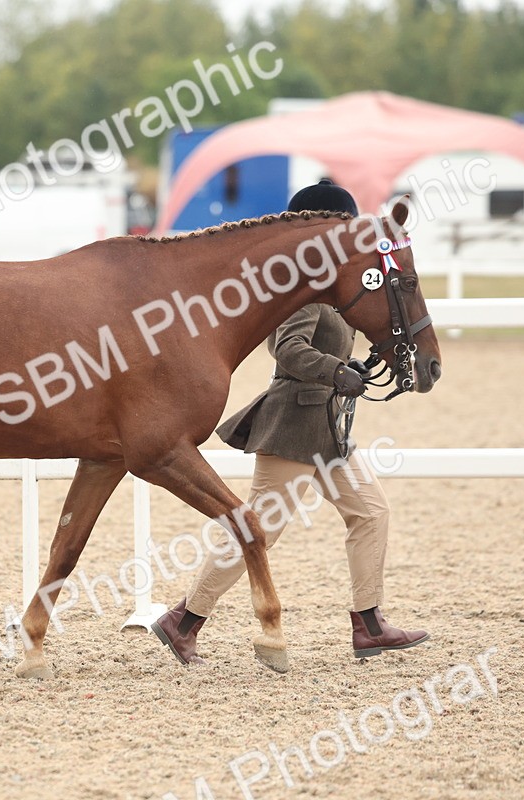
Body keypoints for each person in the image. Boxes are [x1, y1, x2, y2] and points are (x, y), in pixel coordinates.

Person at [151, 179, 429, 667]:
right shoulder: (298, 289)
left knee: (370, 513)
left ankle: (367, 622)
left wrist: (356, 367)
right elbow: (288, 349)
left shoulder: (336, 283)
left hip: (329, 428)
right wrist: (336, 371)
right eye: (343, 223)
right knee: (260, 530)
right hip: (296, 424)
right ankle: (184, 620)